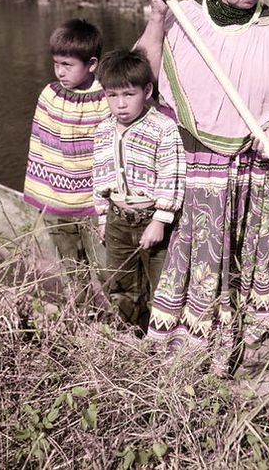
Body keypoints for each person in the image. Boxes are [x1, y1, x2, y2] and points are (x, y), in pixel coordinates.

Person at [136, 0, 269, 374]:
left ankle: (244, 342)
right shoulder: (186, 20)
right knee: (197, 253)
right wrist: (157, 17)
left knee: (246, 253)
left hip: (255, 168)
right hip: (199, 165)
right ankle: (189, 344)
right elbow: (143, 76)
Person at [92, 49, 185, 330]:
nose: (120, 104)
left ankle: (165, 341)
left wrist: (159, 221)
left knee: (162, 287)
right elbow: (100, 175)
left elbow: (172, 175)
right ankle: (131, 336)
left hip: (154, 220)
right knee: (121, 283)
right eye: (112, 95)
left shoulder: (163, 128)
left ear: (146, 91)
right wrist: (103, 217)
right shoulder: (104, 129)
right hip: (118, 219)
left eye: (128, 95)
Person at [24, 18, 110, 293]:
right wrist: (41, 192)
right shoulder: (50, 95)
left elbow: (111, 149)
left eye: (68, 65)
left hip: (95, 202)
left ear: (92, 64)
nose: (60, 72)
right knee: (72, 263)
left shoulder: (106, 98)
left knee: (105, 264)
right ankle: (83, 313)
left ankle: (120, 322)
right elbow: (40, 146)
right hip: (57, 197)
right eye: (56, 64)